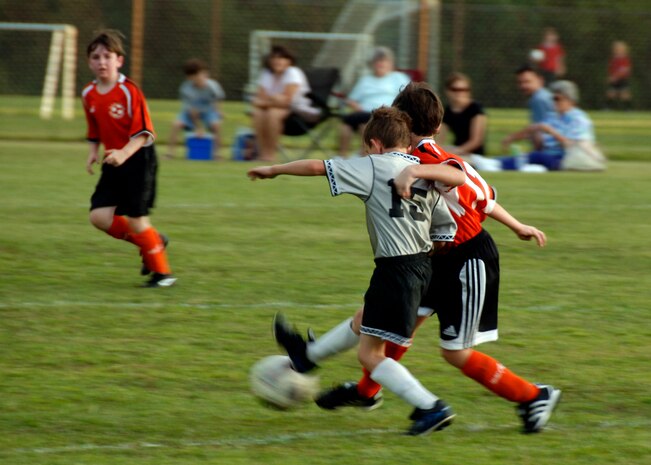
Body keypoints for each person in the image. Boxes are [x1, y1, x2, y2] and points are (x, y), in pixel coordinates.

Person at [273, 82, 561, 434]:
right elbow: (484, 197)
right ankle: (351, 383)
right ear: (437, 127)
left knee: (454, 352)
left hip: (466, 261)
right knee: (378, 322)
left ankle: (533, 395)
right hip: (430, 259)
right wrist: (517, 225)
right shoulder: (422, 155)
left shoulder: (426, 160)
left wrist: (417, 172)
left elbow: (471, 192)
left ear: (402, 123)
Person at [248, 106, 467, 436]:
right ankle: (306, 355)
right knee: (362, 320)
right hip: (422, 267)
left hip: (395, 269)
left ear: (375, 144)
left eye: (366, 148)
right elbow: (444, 231)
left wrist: (274, 169)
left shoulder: (374, 167)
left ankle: (430, 406)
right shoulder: (424, 171)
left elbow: (316, 165)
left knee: (370, 355)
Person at [82, 30, 175, 288]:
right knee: (99, 217)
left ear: (119, 60)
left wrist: (124, 152)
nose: (102, 62)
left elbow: (145, 133)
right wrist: (93, 152)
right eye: (96, 57)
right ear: (89, 62)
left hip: (137, 159)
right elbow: (94, 128)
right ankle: (153, 241)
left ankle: (163, 275)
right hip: (113, 160)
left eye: (108, 56)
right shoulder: (88, 93)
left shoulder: (129, 91)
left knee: (136, 219)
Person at [492, 80, 597, 171]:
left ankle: (497, 165)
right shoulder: (553, 116)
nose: (554, 102)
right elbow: (536, 129)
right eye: (553, 98)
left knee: (537, 156)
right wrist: (512, 138)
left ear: (570, 100)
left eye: (557, 99)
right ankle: (495, 162)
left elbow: (571, 145)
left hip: (565, 158)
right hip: (549, 155)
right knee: (534, 156)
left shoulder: (578, 119)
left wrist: (551, 132)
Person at [251, 45, 320, 162]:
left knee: (273, 114)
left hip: (299, 112)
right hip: (273, 108)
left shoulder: (293, 72)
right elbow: (257, 99)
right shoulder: (267, 74)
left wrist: (268, 101)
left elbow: (287, 101)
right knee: (258, 114)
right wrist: (273, 99)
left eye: (282, 58)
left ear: (289, 61)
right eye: (274, 58)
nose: (277, 61)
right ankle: (262, 154)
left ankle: (271, 155)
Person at [338, 46, 411, 157]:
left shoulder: (398, 78)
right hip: (364, 112)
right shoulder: (365, 80)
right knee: (345, 125)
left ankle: (365, 155)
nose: (380, 64)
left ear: (390, 64)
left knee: (366, 125)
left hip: (387, 115)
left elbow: (408, 97)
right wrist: (357, 106)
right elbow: (351, 100)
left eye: (383, 61)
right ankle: (342, 157)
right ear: (371, 64)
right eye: (377, 61)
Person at [166, 58, 225, 160]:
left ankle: (217, 154)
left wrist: (218, 112)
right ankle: (170, 153)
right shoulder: (186, 88)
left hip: (208, 112)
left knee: (216, 125)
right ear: (189, 78)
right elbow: (192, 111)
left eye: (201, 74)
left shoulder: (212, 86)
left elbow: (217, 99)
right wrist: (198, 128)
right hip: (190, 114)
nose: (199, 78)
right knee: (176, 124)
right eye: (195, 76)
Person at [437, 72, 487, 157]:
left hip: (473, 155)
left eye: (464, 89)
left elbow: (476, 141)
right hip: (457, 150)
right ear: (447, 91)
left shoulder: (475, 109)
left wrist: (455, 152)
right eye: (455, 89)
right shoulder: (447, 110)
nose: (459, 93)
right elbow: (440, 137)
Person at [605, 40, 632, 110]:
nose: (618, 50)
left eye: (620, 49)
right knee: (611, 93)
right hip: (614, 80)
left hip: (622, 79)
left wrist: (615, 77)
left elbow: (625, 70)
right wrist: (610, 77)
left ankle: (628, 109)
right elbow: (611, 69)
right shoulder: (614, 59)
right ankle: (608, 108)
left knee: (625, 94)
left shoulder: (625, 59)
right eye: (616, 49)